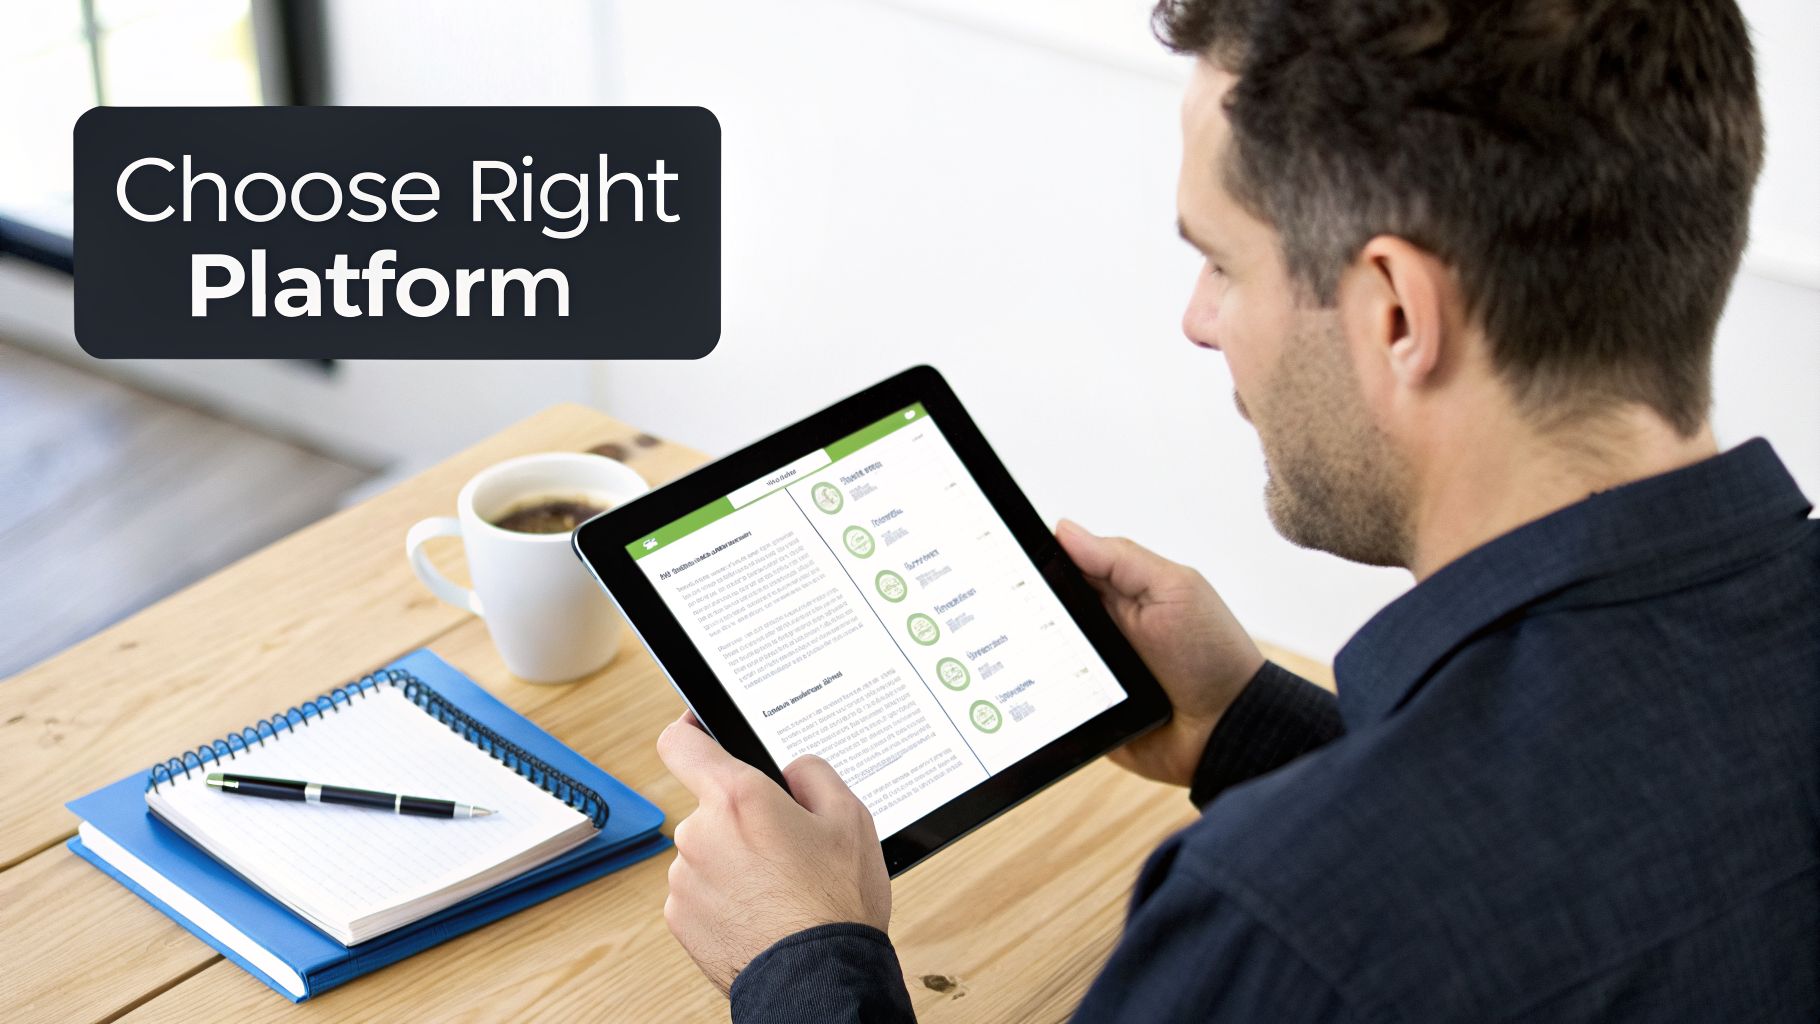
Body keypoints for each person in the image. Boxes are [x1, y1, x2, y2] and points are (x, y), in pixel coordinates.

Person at [655, 0, 1820, 1019]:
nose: (1198, 321)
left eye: (1221, 263)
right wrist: (1245, 728)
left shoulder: (1278, 925)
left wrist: (799, 960)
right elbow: (1586, 838)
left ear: (1395, 315)